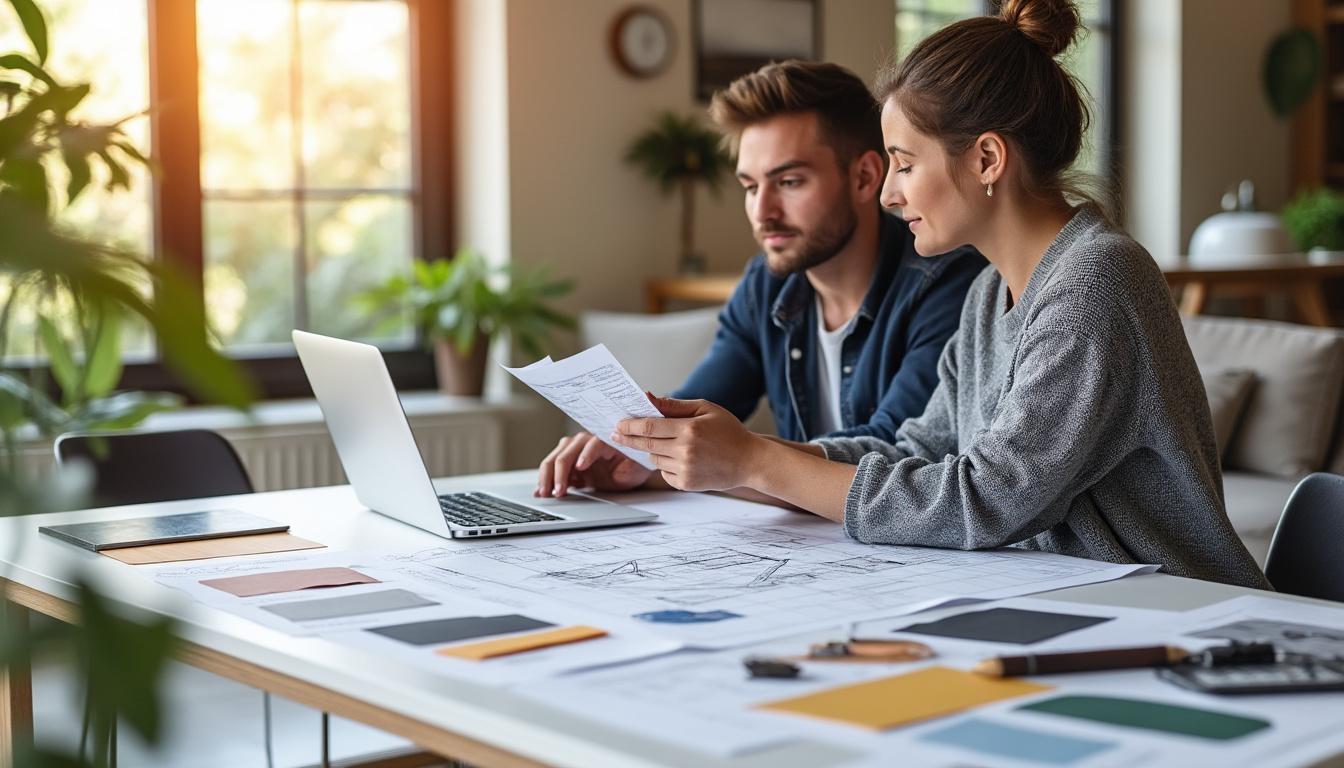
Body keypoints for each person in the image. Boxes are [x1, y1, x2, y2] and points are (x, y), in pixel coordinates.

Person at [609, 0, 1269, 589]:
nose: (891, 194)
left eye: (904, 163)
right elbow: (916, 451)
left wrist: (757, 460)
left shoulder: (1095, 283)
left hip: (1182, 613)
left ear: (986, 160)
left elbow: (985, 499)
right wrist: (737, 460)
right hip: (1065, 600)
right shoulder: (989, 295)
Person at [537, 60, 985, 498]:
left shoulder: (947, 283)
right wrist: (636, 449)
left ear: (865, 177)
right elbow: (697, 408)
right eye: (751, 187)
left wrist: (737, 458)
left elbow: (899, 452)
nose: (763, 212)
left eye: (788, 182)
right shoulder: (766, 285)